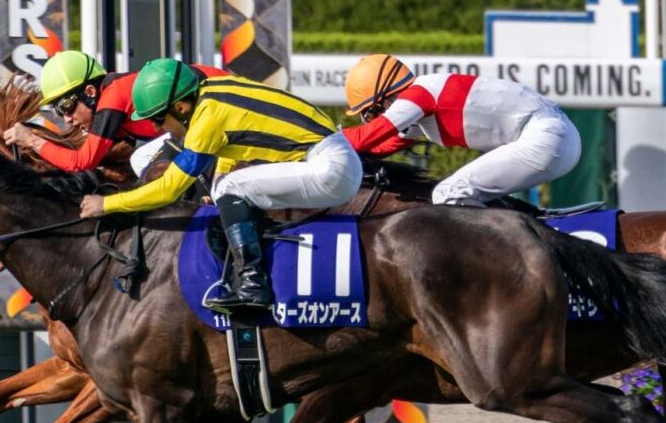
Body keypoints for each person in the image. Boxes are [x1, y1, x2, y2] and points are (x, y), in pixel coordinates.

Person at [77, 58, 361, 316]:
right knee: (225, 188)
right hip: (333, 155)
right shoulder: (215, 88)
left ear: (181, 107)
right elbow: (230, 149)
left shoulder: (207, 119)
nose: (158, 129)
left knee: (230, 187)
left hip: (329, 167)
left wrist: (106, 204)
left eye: (159, 119)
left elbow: (169, 189)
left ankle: (252, 284)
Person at [339, 55, 581, 207]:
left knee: (448, 193)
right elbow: (383, 146)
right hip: (554, 135)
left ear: (384, 98)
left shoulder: (417, 96)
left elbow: (368, 136)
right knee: (472, 194)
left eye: (371, 112)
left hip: (547, 138)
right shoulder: (422, 99)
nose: (373, 118)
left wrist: (322, 138)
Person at [4, 49, 222, 176]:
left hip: (219, 107)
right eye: (58, 111)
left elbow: (81, 162)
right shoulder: (111, 93)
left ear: (89, 91)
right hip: (212, 108)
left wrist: (32, 140)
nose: (67, 120)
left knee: (142, 159)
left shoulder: (112, 98)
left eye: (66, 107)